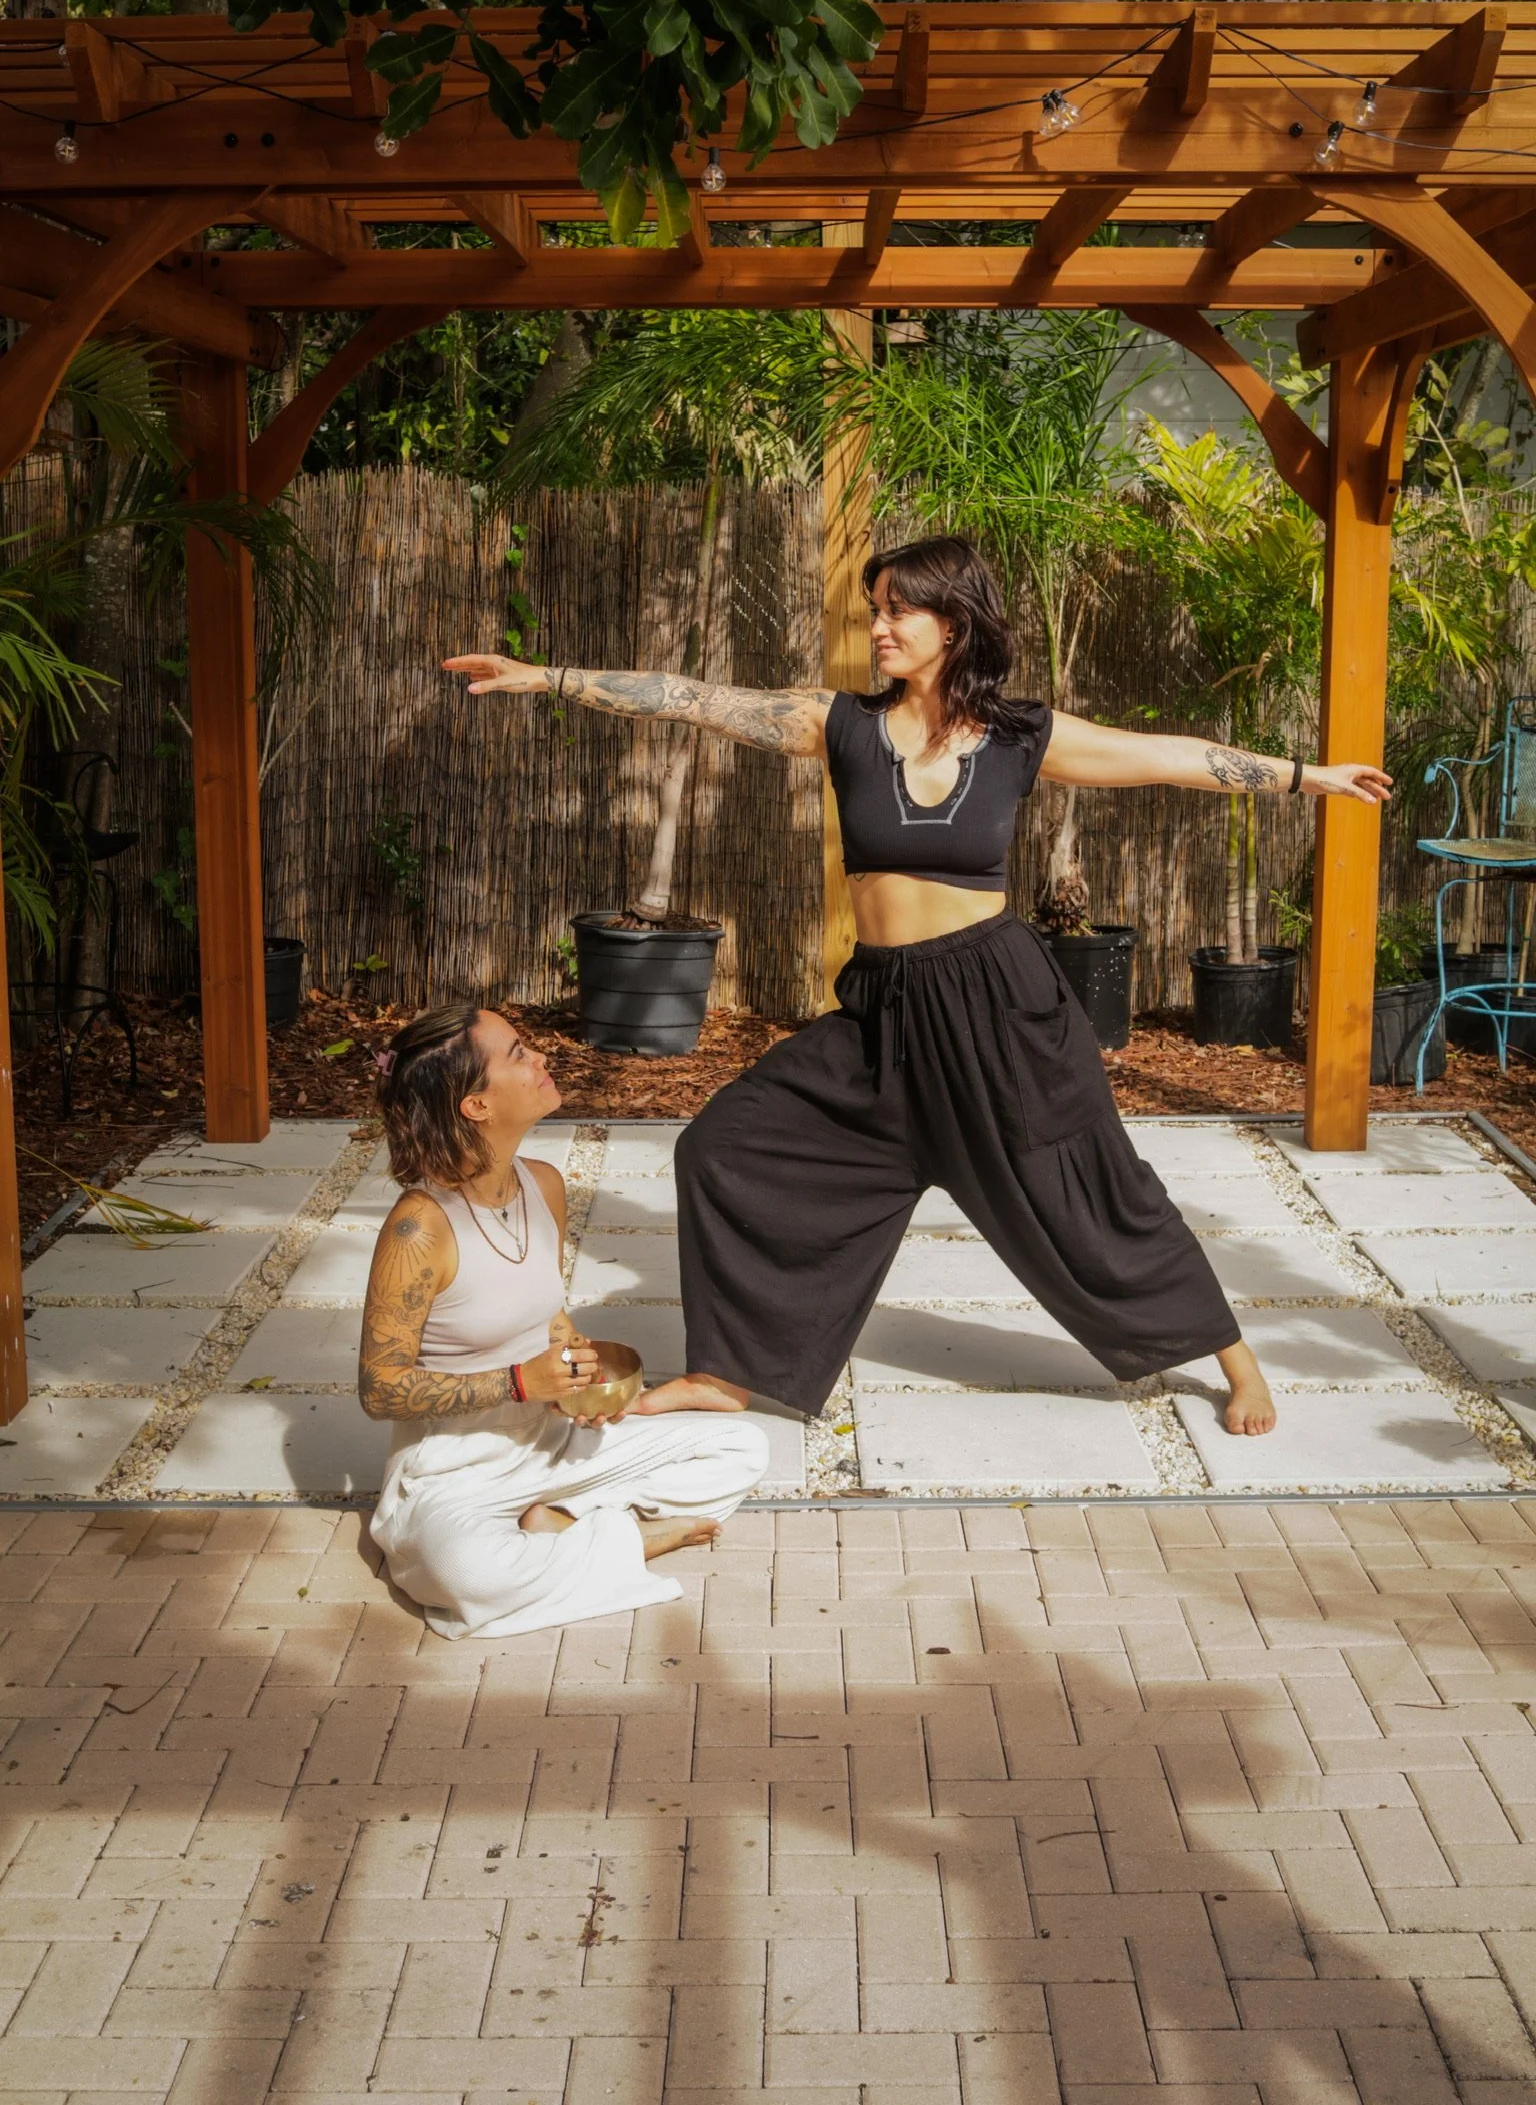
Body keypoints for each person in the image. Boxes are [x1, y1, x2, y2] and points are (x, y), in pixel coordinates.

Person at [445, 535, 1391, 1441]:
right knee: (723, 1147)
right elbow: (693, 698)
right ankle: (728, 1371)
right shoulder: (843, 725)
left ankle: (1233, 1359)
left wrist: (1308, 777)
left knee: (1090, 1188)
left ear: (957, 622)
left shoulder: (1021, 735)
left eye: (901, 611)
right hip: (884, 1012)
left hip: (1001, 1006)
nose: (881, 628)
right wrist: (548, 678)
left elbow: (1170, 758)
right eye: (876, 611)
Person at [360, 1002, 769, 1638]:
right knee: (465, 1570)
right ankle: (626, 1538)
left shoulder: (543, 1184)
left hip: (552, 1443)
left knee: (741, 1447)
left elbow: (543, 1311)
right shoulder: (419, 1228)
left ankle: (561, 1520)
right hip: (455, 1471)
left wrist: (584, 1374)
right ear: (476, 1106)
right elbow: (380, 1387)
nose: (541, 1057)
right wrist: (520, 1383)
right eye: (518, 1054)